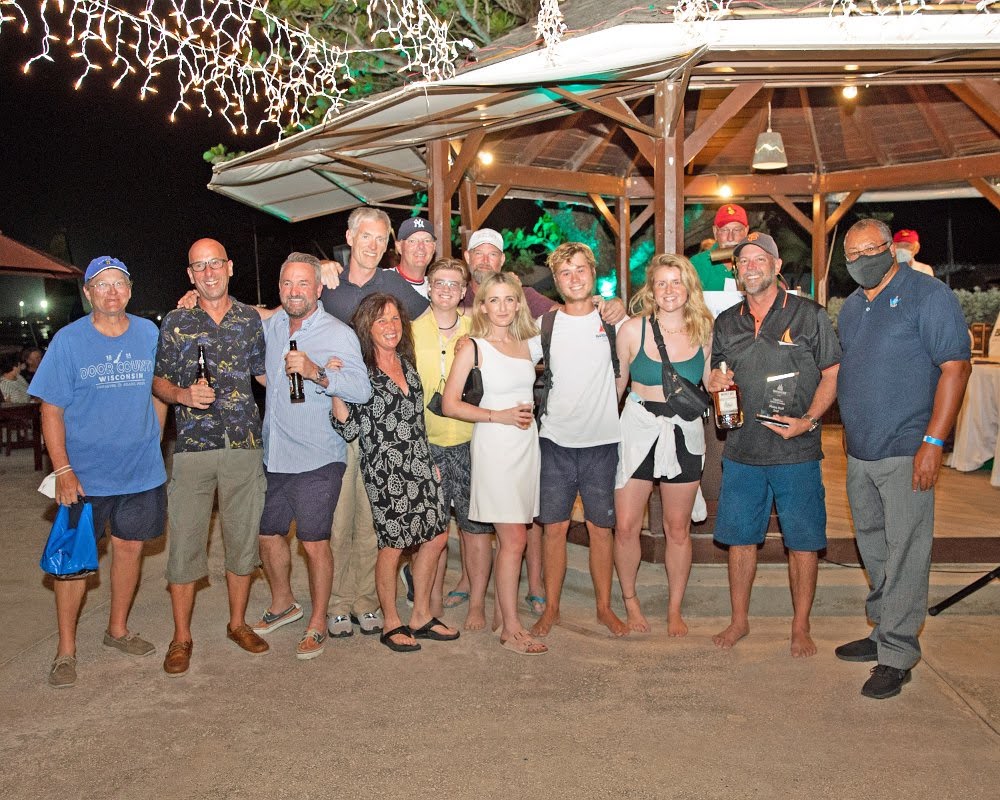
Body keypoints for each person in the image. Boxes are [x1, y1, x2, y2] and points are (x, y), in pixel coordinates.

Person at [835, 218, 970, 699]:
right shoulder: (853, 306)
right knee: (874, 546)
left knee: (907, 550)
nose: (861, 261)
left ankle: (897, 652)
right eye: (852, 255)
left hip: (908, 447)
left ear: (891, 249)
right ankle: (883, 628)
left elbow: (956, 368)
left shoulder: (928, 295)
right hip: (861, 450)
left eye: (870, 250)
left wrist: (933, 442)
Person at [30, 256, 167, 688]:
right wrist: (63, 468)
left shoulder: (149, 334)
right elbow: (51, 409)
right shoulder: (68, 341)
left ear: (130, 290)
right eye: (101, 284)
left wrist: (153, 439)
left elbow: (159, 391)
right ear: (88, 293)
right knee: (72, 564)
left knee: (130, 548)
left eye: (119, 283)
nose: (112, 291)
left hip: (140, 472)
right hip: (84, 475)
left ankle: (117, 630)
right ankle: (65, 651)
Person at [707, 232, 840, 658]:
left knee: (802, 541)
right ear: (736, 271)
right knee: (739, 539)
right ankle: (739, 621)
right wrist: (714, 382)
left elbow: (832, 374)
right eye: (743, 261)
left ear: (777, 266)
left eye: (759, 259)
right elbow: (715, 376)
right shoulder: (726, 321)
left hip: (795, 451)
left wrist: (809, 421)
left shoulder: (809, 315)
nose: (751, 267)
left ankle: (800, 625)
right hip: (742, 450)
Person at [153, 238, 269, 678]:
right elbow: (159, 381)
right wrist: (183, 394)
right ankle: (181, 637)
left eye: (215, 263)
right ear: (190, 275)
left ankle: (237, 624)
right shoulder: (177, 321)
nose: (208, 273)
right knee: (185, 542)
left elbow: (263, 372)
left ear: (230, 267)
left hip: (244, 445)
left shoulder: (249, 319)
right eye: (199, 267)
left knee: (242, 540)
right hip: (193, 448)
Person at [255, 253, 371, 660]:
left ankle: (318, 621)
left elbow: (361, 390)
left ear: (318, 289)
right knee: (268, 535)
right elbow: (240, 315)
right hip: (275, 454)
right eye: (287, 283)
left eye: (303, 283)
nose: (295, 291)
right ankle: (284, 603)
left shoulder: (338, 333)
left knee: (313, 541)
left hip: (319, 455)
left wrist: (317, 372)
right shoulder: (272, 327)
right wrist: (194, 299)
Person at [320, 207, 429, 638]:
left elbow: (447, 302)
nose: (373, 244)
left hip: (383, 431)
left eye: (381, 238)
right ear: (349, 238)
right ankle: (337, 601)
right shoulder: (328, 285)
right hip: (340, 419)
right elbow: (287, 303)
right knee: (339, 518)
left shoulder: (393, 284)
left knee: (371, 520)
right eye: (366, 236)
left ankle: (366, 598)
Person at [332, 294, 459, 652]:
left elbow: (415, 419)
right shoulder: (361, 370)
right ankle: (391, 621)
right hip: (385, 470)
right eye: (380, 320)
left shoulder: (406, 361)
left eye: (394, 319)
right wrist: (336, 387)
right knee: (394, 544)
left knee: (436, 536)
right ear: (367, 327)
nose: (390, 327)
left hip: (420, 463)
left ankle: (420, 615)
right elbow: (348, 428)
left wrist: (429, 462)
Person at [443, 272, 547, 655]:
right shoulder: (472, 347)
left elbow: (566, 321)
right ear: (482, 306)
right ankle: (511, 630)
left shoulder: (527, 344)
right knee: (515, 539)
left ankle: (505, 617)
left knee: (512, 539)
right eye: (494, 300)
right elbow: (450, 403)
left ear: (518, 304)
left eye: (509, 299)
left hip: (526, 446)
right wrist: (497, 416)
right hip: (495, 446)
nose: (502, 307)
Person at [530, 243, 629, 639]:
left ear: (593, 272)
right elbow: (509, 353)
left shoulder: (614, 321)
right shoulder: (545, 325)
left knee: (600, 529)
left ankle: (604, 607)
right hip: (554, 442)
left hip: (602, 443)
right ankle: (552, 608)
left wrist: (619, 305)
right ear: (556, 281)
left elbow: (646, 344)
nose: (574, 278)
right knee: (553, 529)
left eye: (580, 269)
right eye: (565, 272)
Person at [613, 254, 714, 636]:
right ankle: (631, 601)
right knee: (626, 526)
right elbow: (616, 388)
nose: (669, 290)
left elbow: (710, 381)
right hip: (637, 428)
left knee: (677, 528)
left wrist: (723, 383)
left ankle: (674, 609)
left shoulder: (704, 330)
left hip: (684, 431)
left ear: (689, 287)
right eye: (661, 283)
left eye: (676, 281)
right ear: (651, 290)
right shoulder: (631, 330)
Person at [412, 258, 495, 630]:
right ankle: (430, 600)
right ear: (429, 288)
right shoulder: (410, 331)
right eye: (439, 282)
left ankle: (477, 603)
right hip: (427, 442)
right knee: (433, 530)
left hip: (472, 442)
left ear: (464, 292)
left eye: (454, 284)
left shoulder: (479, 329)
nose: (446, 289)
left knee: (475, 529)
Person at [689, 204, 750, 290]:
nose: (730, 238)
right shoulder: (697, 263)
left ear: (746, 231)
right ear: (715, 231)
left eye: (736, 230)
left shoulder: (755, 263)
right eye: (724, 230)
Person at [393, 217, 437, 297]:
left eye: (427, 241)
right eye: (412, 241)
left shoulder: (438, 292)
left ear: (434, 247)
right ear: (399, 247)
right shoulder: (381, 281)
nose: (421, 246)